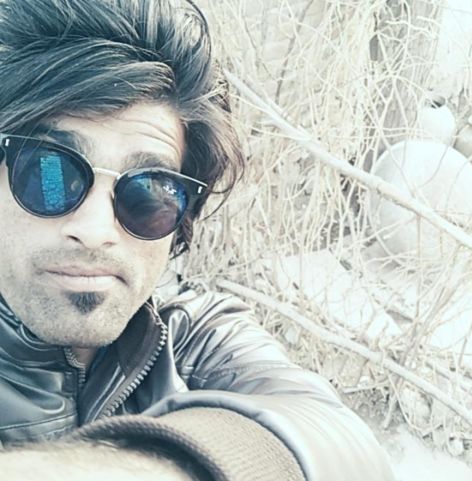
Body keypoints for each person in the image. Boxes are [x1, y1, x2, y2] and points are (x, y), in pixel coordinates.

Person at [0, 1, 395, 480]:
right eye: (48, 173)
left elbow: (343, 443)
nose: (96, 230)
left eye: (149, 192)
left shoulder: (191, 337)